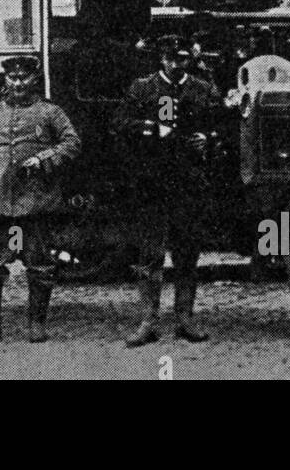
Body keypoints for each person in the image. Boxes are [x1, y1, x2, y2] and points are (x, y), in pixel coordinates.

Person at [0, 56, 81, 344]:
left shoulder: (49, 112)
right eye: (12, 78)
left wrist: (44, 157)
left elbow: (72, 142)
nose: (18, 83)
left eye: (24, 78)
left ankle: (36, 325)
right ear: (6, 81)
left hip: (33, 203)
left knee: (38, 264)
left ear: (34, 80)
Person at [112, 35, 223, 347]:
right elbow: (119, 123)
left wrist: (207, 139)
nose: (176, 64)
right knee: (150, 255)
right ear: (161, 58)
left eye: (182, 59)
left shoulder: (202, 89)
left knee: (187, 254)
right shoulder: (143, 88)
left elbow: (222, 128)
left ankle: (185, 319)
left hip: (188, 184)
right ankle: (148, 321)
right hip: (153, 183)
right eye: (171, 58)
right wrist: (150, 128)